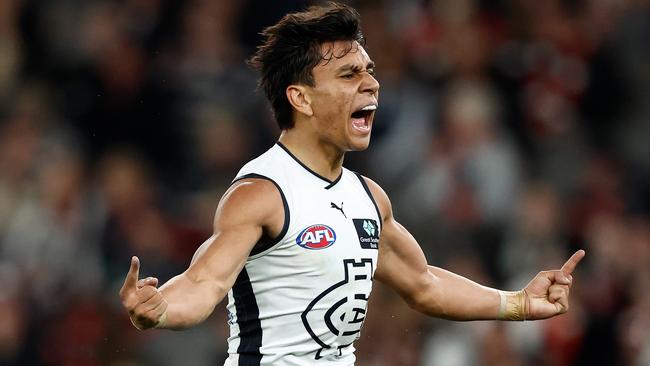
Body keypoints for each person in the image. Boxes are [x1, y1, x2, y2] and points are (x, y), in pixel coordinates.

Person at [119, 3, 585, 365]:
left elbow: (423, 284)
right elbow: (203, 282)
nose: (372, 85)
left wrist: (518, 304)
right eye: (349, 74)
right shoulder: (261, 193)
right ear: (300, 97)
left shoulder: (367, 198)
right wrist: (160, 309)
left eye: (369, 71)